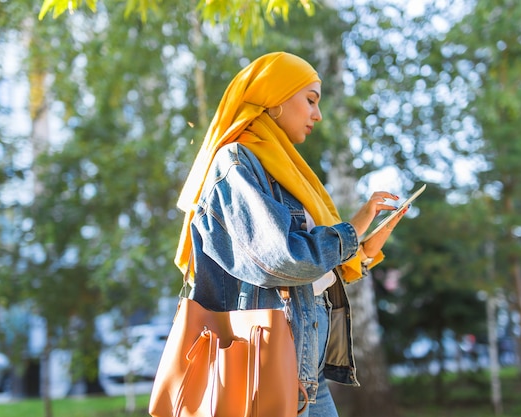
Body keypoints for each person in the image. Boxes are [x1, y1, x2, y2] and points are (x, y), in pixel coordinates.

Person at [174, 51, 407, 417]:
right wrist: (352, 229)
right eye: (310, 100)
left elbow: (302, 274)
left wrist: (358, 252)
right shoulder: (236, 162)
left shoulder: (284, 169)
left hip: (303, 366)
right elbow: (278, 259)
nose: (317, 114)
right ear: (275, 99)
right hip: (261, 369)